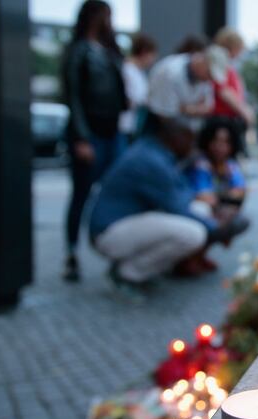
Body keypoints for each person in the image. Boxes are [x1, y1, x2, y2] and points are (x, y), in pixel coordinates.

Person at [88, 114, 249, 301]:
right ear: (176, 138)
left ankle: (145, 269)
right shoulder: (150, 161)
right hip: (109, 233)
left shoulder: (154, 152)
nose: (192, 147)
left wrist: (213, 216)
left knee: (200, 212)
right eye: (190, 140)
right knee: (193, 233)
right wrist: (217, 226)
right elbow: (178, 206)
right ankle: (127, 274)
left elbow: (184, 197)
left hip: (122, 224)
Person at [61, 0, 127, 282]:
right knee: (81, 195)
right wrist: (81, 137)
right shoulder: (78, 51)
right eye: (105, 15)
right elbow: (73, 97)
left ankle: (117, 251)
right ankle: (71, 254)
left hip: (113, 133)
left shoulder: (110, 50)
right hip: (90, 135)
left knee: (115, 193)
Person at [184, 119, 248, 269]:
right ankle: (190, 258)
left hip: (217, 211)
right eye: (216, 141)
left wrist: (219, 200)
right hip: (193, 213)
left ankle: (199, 256)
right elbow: (202, 196)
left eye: (226, 142)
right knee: (206, 212)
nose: (220, 147)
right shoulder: (199, 162)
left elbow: (240, 192)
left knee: (238, 219)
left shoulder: (230, 166)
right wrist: (226, 199)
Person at [146, 44, 228, 132]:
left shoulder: (204, 79)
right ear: (203, 61)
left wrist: (185, 108)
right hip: (156, 127)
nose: (210, 80)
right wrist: (195, 108)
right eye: (209, 74)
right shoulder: (171, 73)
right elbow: (165, 116)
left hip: (182, 129)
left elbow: (208, 107)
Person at [119, 33, 158, 139]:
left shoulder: (139, 72)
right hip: (124, 124)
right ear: (144, 52)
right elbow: (136, 97)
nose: (153, 60)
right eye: (152, 55)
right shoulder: (127, 69)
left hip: (132, 124)